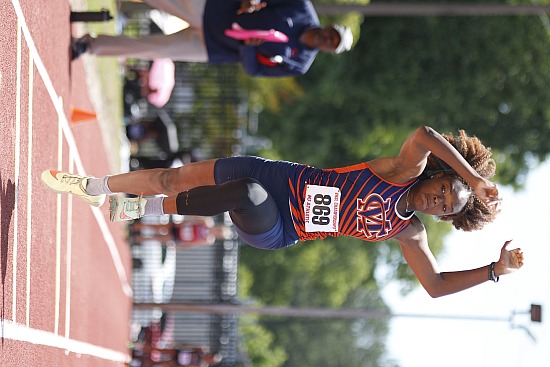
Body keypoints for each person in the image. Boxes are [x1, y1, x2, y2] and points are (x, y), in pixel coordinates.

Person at [41, 126, 524, 298]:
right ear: (436, 176)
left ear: (441, 218)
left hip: (279, 226)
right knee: (173, 176)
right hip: (277, 174)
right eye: (442, 188)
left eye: (444, 206)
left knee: (242, 192)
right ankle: (92, 185)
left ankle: (139, 207)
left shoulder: (408, 230)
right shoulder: (399, 170)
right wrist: (476, 180)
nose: (437, 200)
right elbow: (422, 133)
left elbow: (436, 287)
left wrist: (494, 271)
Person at [70, 0, 354, 77]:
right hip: (215, 9)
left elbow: (255, 70)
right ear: (331, 27)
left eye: (333, 45)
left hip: (216, 47)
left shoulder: (300, 63)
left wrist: (249, 50)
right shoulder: (301, 7)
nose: (329, 40)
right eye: (333, 35)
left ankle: (90, 45)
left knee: (153, 49)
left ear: (331, 51)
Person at [130, 215, 234, 248]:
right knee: (157, 227)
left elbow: (193, 243)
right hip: (179, 227)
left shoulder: (209, 240)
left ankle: (136, 238)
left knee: (158, 238)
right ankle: (135, 227)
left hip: (180, 237)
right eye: (219, 231)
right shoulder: (208, 222)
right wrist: (182, 222)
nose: (217, 233)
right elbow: (193, 219)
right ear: (219, 227)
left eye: (220, 235)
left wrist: (181, 246)